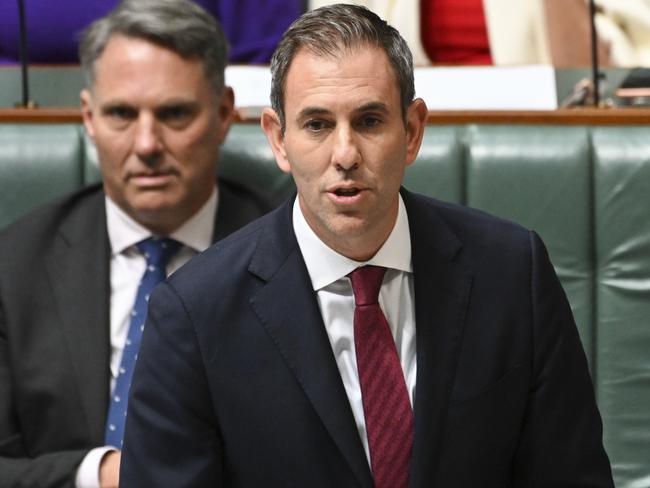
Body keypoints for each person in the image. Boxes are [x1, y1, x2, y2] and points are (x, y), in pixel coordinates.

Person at [120, 4, 614, 487]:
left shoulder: (512, 273)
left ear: (413, 131)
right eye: (316, 124)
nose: (345, 154)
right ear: (278, 139)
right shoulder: (193, 312)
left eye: (370, 121)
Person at [0, 0, 272, 486]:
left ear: (224, 113)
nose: (147, 144)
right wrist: (100, 475)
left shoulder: (289, 254)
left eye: (174, 114)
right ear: (88, 116)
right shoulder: (14, 265)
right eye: (122, 114)